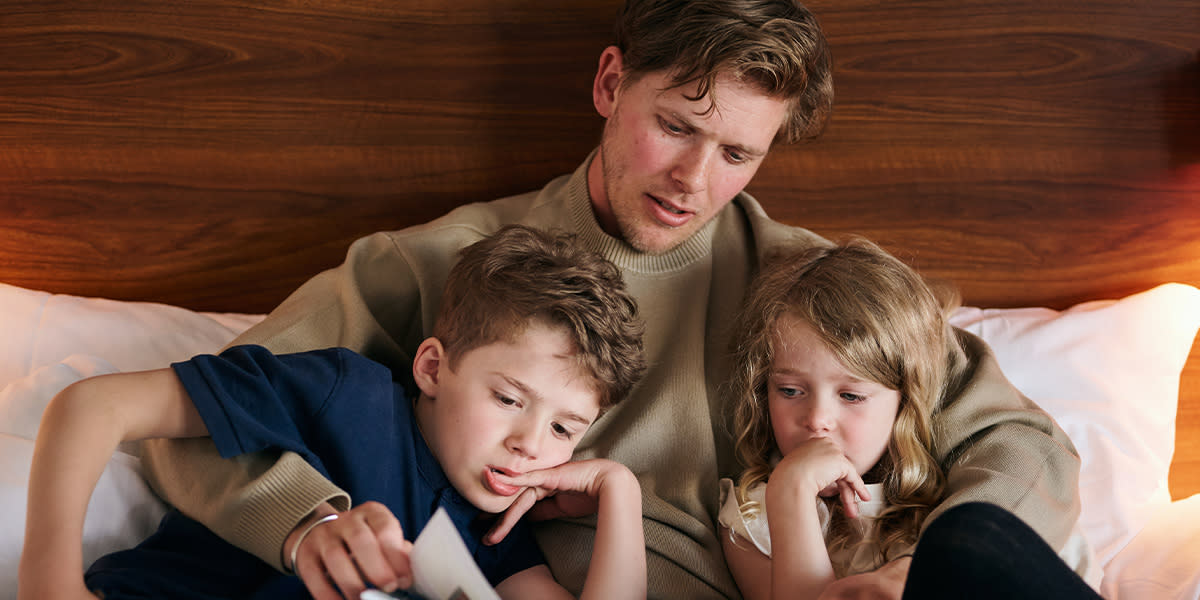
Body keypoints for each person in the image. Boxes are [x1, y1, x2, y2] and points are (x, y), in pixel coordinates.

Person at [140, 1, 1084, 598]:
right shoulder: (440, 266)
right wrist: (304, 519)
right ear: (609, 84)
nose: (693, 180)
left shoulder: (811, 286)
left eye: (738, 154)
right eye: (675, 127)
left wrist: (913, 576)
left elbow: (1025, 446)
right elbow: (195, 412)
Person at [19, 225, 648, 600]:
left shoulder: (496, 542)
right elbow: (92, 403)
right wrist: (52, 587)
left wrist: (618, 490)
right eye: (508, 399)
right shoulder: (348, 394)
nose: (529, 444)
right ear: (432, 367)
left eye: (564, 429)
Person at [717, 240, 1101, 599]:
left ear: (905, 401)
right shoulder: (753, 519)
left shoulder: (957, 480)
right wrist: (793, 492)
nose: (817, 419)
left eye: (851, 396)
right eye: (789, 391)